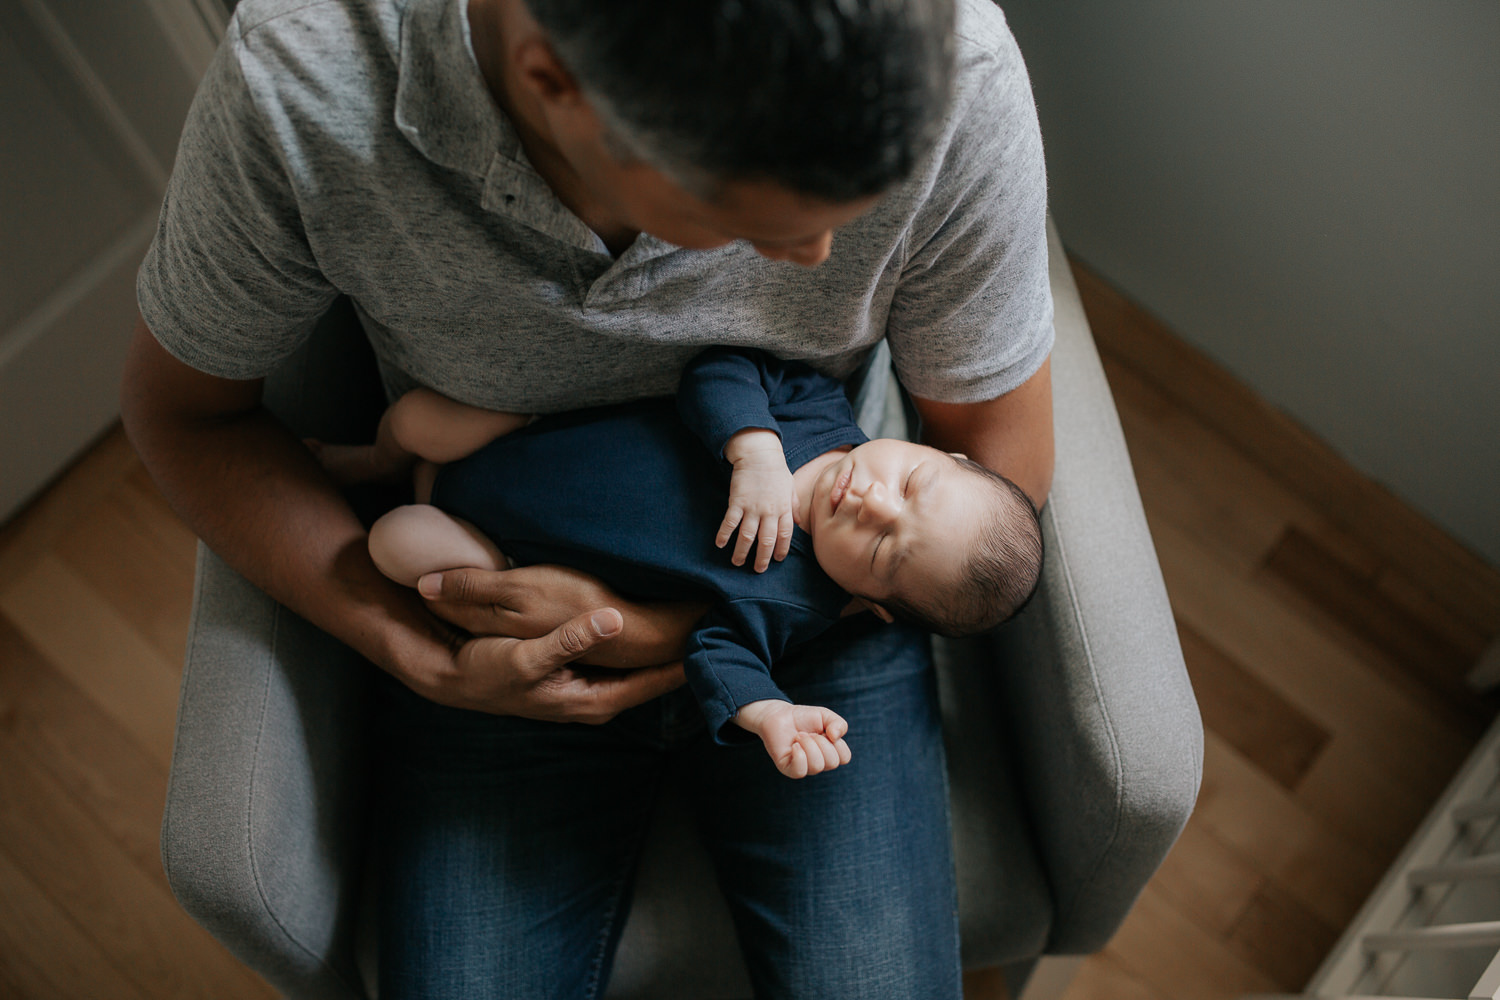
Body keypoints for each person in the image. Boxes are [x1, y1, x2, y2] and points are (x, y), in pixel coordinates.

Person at [120, 0, 1054, 994]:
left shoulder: (954, 62)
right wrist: (421, 654)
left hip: (808, 634)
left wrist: (682, 628)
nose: (818, 259)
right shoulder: (304, 78)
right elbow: (186, 417)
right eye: (744, 213)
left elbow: (996, 466)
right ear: (550, 83)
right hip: (492, 623)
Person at [316, 346, 1044, 778]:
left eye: (885, 550)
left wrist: (767, 715)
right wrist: (753, 445)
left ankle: (398, 499)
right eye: (912, 482)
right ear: (937, 451)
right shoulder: (817, 412)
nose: (875, 505)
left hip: (499, 544)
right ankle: (372, 459)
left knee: (396, 543)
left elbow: (720, 650)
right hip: (527, 432)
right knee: (416, 420)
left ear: (873, 605)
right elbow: (719, 367)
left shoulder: (792, 601)